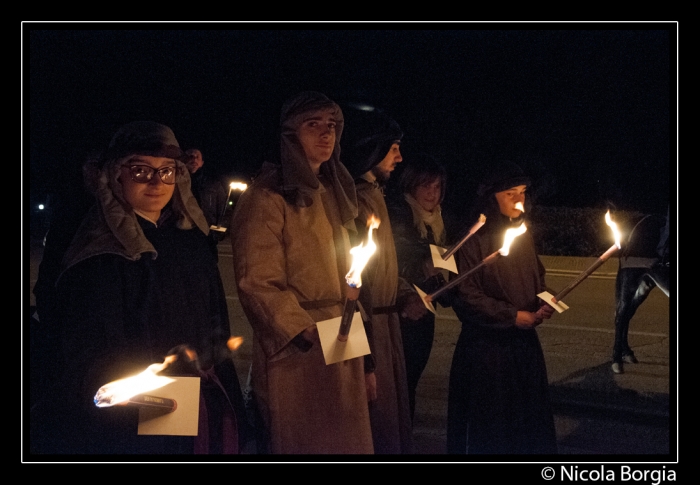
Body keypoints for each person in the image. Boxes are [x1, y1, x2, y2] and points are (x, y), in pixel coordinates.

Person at [31, 121, 243, 455]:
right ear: (116, 175)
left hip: (197, 402)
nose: (157, 183)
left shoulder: (192, 244)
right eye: (141, 171)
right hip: (133, 415)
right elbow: (81, 346)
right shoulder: (98, 253)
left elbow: (215, 320)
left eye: (167, 171)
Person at [230, 92, 374, 454]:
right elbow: (257, 281)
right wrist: (301, 327)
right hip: (298, 347)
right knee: (302, 440)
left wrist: (363, 352)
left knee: (344, 437)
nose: (327, 134)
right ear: (290, 134)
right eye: (314, 125)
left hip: (341, 333)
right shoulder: (266, 198)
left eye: (332, 126)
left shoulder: (331, 194)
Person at [446, 161, 557, 455]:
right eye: (511, 193)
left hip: (523, 349)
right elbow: (465, 294)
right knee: (490, 430)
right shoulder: (472, 237)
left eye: (522, 192)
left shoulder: (522, 234)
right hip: (486, 352)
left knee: (526, 429)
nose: (519, 199)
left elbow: (537, 276)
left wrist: (544, 301)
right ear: (491, 197)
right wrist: (511, 316)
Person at [341, 107, 416, 454]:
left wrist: (403, 293)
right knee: (374, 426)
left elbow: (381, 270)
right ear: (371, 148)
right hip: (371, 331)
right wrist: (365, 359)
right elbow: (354, 285)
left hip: (387, 328)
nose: (399, 157)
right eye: (393, 147)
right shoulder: (352, 200)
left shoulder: (373, 195)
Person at [387, 157, 458, 422]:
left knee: (411, 382)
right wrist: (423, 268)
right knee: (399, 384)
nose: (432, 193)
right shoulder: (400, 216)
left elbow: (444, 271)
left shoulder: (438, 222)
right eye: (426, 186)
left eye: (437, 187)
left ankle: (404, 436)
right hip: (402, 313)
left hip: (425, 315)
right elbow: (390, 263)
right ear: (411, 186)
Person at [185, 148, 229, 256]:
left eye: (197, 157)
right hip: (183, 238)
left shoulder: (213, 185)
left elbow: (225, 211)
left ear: (201, 162)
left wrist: (219, 232)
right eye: (190, 156)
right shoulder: (175, 184)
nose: (194, 159)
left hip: (207, 238)